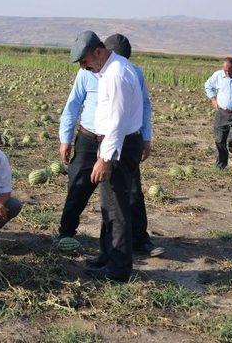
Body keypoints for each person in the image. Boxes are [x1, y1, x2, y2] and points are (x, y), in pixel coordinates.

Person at [57, 34, 164, 259]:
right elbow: (73, 104)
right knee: (79, 187)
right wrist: (65, 138)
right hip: (88, 137)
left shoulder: (125, 72)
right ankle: (66, 233)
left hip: (118, 140)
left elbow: (139, 107)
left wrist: (145, 136)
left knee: (129, 192)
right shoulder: (85, 73)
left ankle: (138, 240)